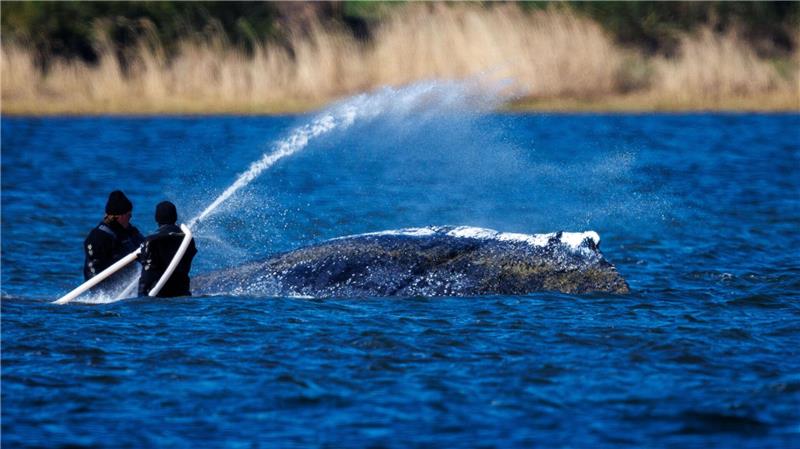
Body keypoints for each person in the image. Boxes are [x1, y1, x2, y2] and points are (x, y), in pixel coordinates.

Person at [83, 190, 145, 286]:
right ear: (121, 216)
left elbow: (144, 247)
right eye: (129, 215)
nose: (130, 218)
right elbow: (92, 270)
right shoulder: (97, 237)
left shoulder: (131, 231)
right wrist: (102, 292)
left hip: (130, 280)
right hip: (108, 287)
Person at [138, 201, 197, 297]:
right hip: (182, 292)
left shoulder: (152, 241)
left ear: (157, 218)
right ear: (175, 217)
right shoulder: (188, 240)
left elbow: (147, 275)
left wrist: (141, 297)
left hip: (158, 295)